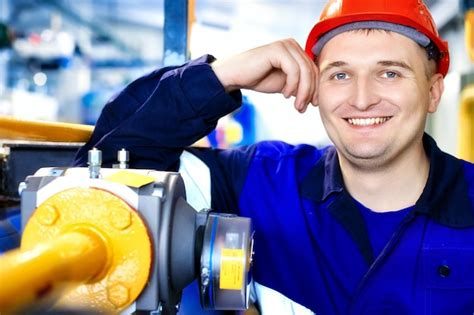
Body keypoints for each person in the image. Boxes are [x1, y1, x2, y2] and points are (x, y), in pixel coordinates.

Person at [74, 0, 474, 314]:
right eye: (339, 74)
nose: (362, 97)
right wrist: (221, 77)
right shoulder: (261, 181)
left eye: (390, 73)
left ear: (434, 91)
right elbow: (109, 174)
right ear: (315, 87)